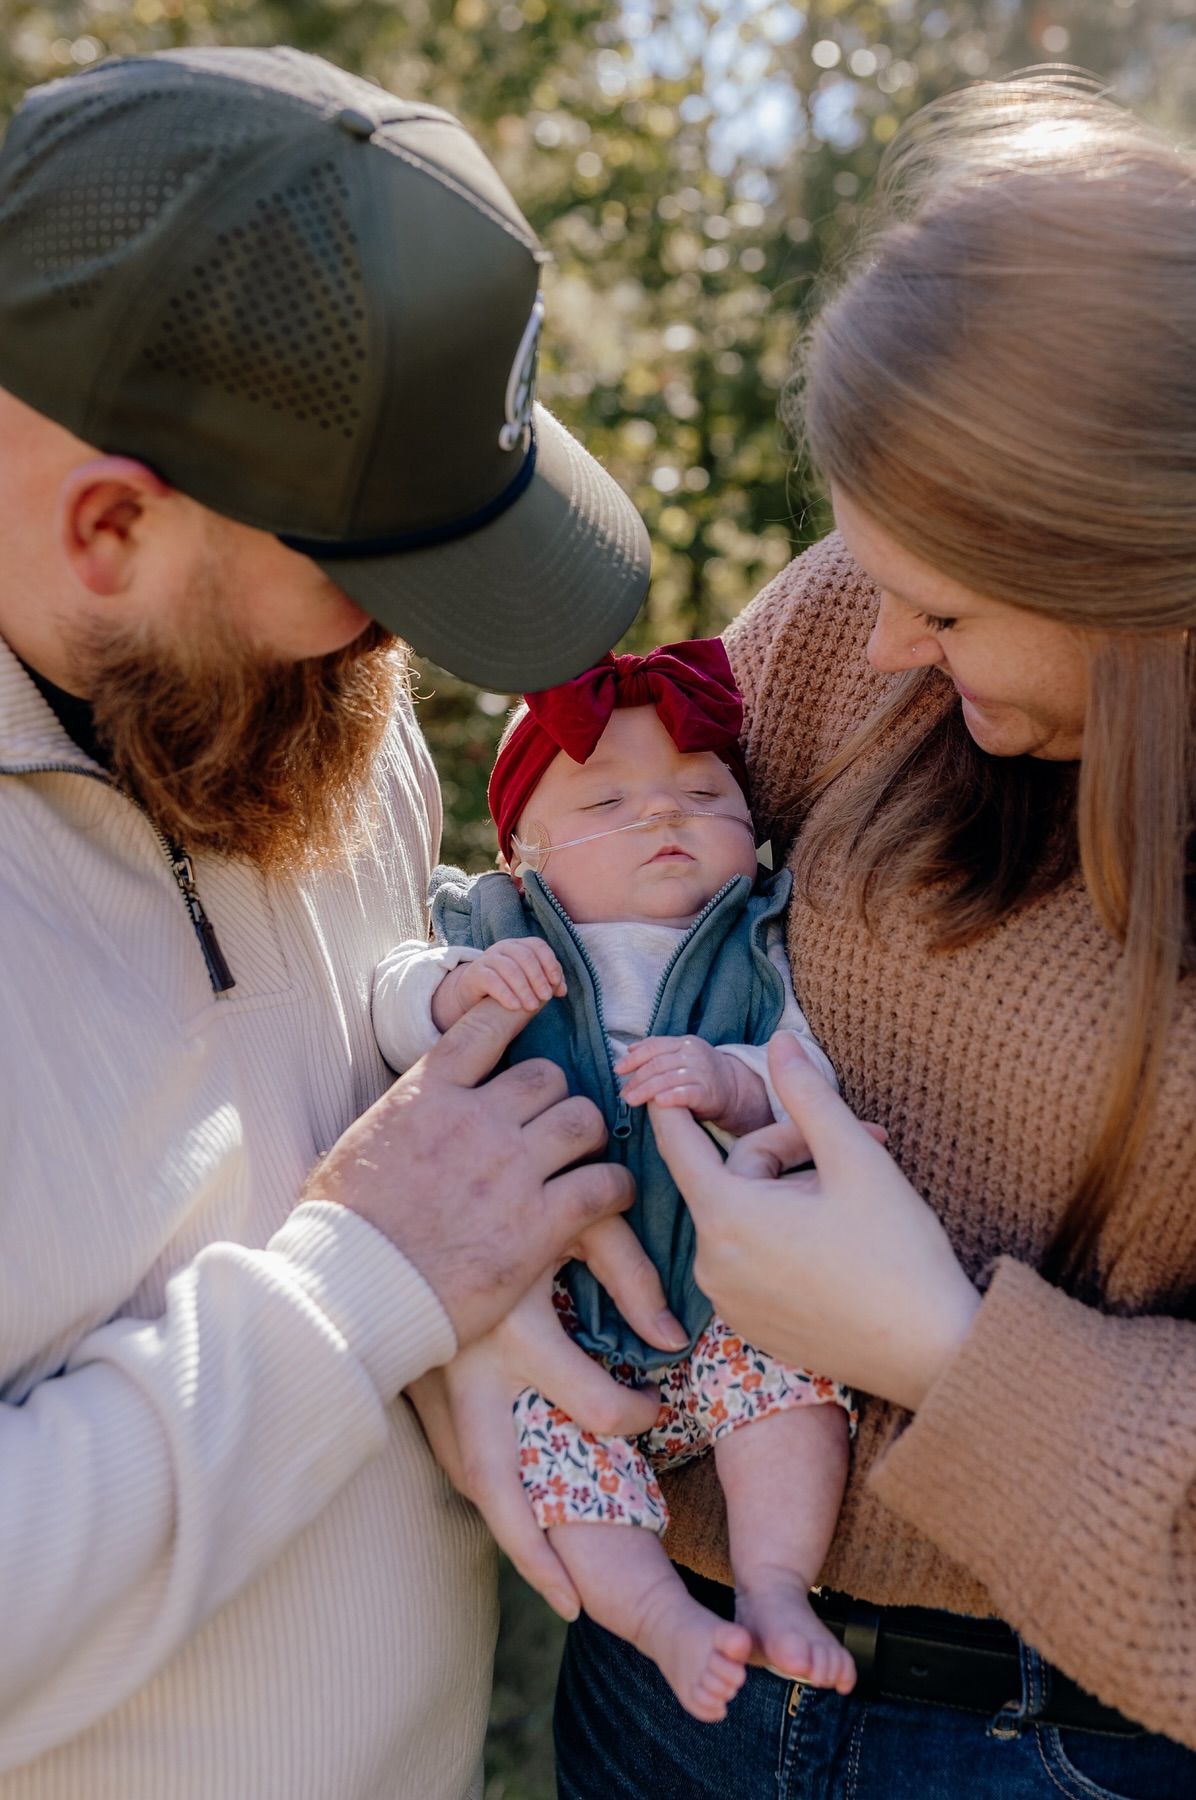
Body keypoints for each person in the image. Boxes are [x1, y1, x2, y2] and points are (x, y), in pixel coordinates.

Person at [536, 75, 1196, 1800]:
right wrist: (489, 1271)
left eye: (943, 606)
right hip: (686, 1693)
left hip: (1130, 1759)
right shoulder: (845, 652)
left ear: (1163, 577)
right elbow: (602, 940)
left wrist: (955, 1365)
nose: (868, 646)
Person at [0, 47, 665, 1799]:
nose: (398, 649)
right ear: (111, 524)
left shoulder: (315, 731)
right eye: (362, 580)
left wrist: (480, 1293)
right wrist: (366, 1284)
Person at [372, 640, 857, 1723]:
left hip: (730, 1293)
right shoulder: (490, 932)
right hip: (544, 1312)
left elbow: (805, 1072)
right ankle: (664, 1620)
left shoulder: (758, 944)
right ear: (521, 852)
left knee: (793, 1386)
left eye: (700, 792)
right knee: (547, 1450)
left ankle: (776, 1586)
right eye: (610, 801)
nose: (662, 819)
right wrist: (454, 994)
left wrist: (733, 1085)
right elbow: (385, 1003)